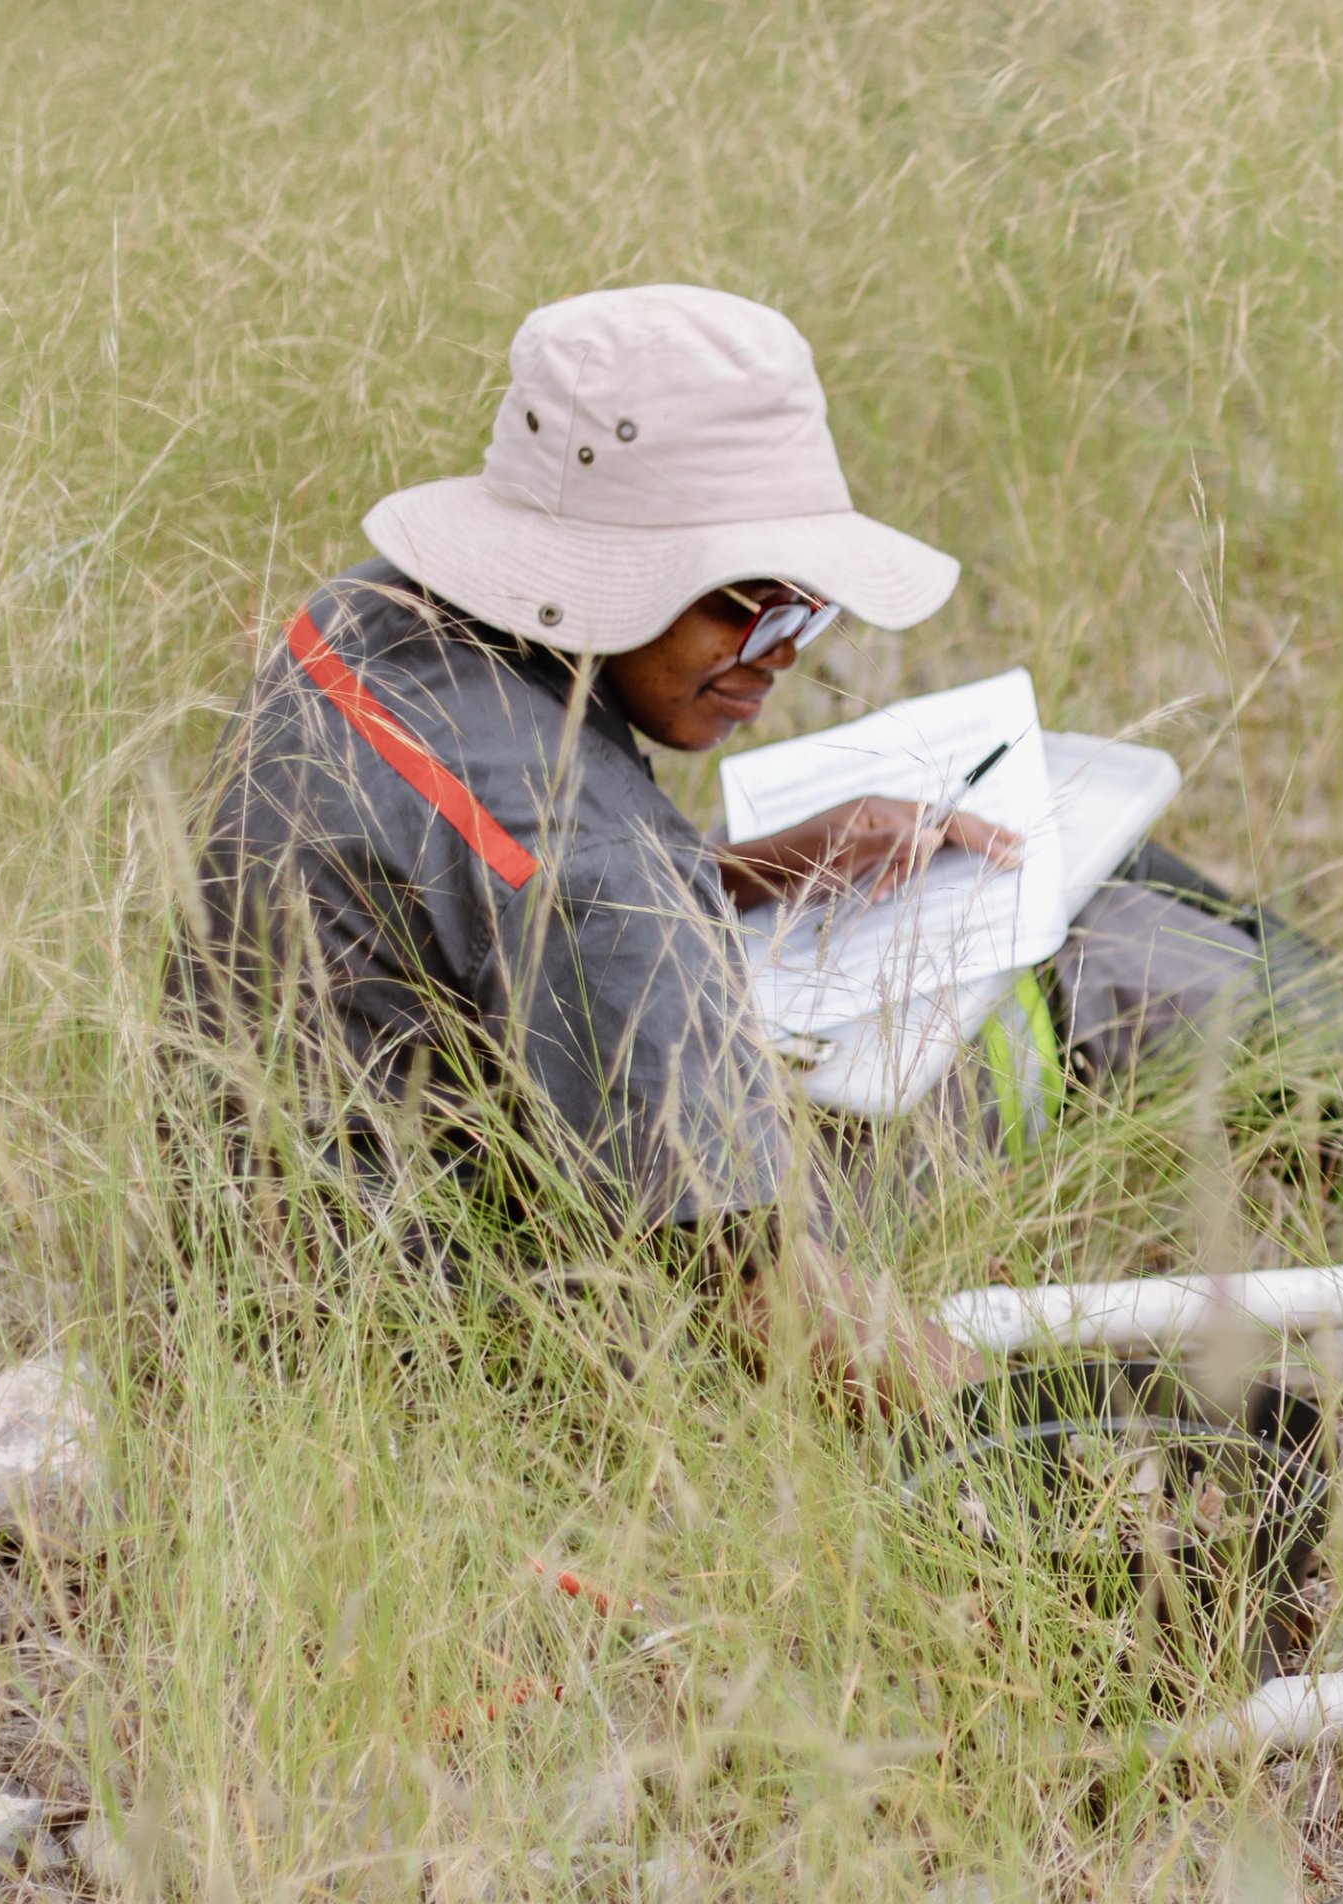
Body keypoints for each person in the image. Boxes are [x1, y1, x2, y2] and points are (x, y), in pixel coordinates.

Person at [177, 283, 1259, 1397]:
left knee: (1102, 904)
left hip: (278, 1237)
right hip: (466, 1337)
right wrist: (1036, 1456)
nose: (781, 653)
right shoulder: (596, 870)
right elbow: (756, 1285)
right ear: (598, 580)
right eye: (749, 608)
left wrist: (742, 874)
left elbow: (473, 894)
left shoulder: (367, 617)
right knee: (1086, 957)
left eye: (809, 611)